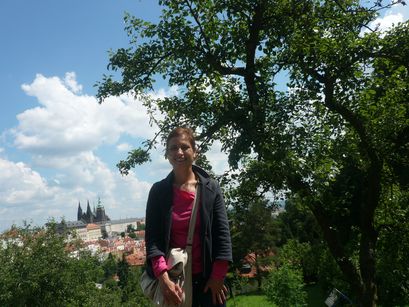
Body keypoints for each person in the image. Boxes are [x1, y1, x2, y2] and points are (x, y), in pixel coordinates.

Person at [144, 127, 232, 307]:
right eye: (173, 148)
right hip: (175, 281)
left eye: (185, 147)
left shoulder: (211, 189)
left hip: (209, 281)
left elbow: (222, 235)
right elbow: (153, 240)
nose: (179, 152)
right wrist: (164, 280)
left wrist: (218, 277)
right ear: (167, 154)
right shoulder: (158, 191)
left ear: (195, 151)